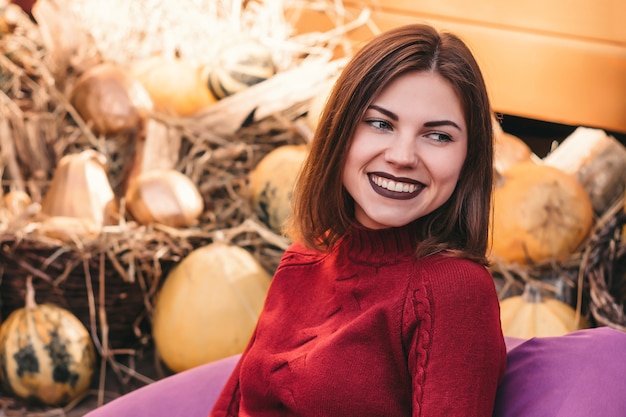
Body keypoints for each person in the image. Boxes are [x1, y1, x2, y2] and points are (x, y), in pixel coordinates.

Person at [209, 22, 506, 417]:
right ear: (340, 131)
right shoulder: (303, 258)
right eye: (380, 123)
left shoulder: (453, 291)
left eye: (437, 136)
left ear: (469, 158)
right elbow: (234, 405)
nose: (402, 156)